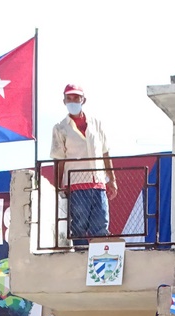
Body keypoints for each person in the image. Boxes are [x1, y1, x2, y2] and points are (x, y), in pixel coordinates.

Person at [50, 84, 118, 247]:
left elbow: (105, 153)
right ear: (64, 101)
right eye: (69, 98)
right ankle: (80, 261)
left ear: (83, 100)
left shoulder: (96, 124)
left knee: (101, 226)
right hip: (75, 186)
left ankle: (99, 259)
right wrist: (58, 187)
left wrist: (112, 180)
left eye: (76, 98)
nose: (73, 101)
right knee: (78, 228)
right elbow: (59, 160)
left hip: (98, 184)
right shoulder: (60, 128)